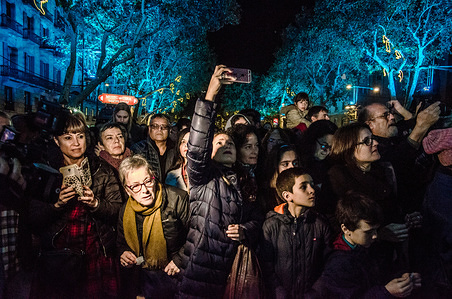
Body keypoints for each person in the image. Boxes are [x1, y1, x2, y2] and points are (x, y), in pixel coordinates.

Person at [179, 65, 262, 298]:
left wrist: (245, 230)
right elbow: (197, 147)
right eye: (219, 143)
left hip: (230, 275)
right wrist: (211, 93)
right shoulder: (202, 177)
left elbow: (257, 219)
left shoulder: (243, 182)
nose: (226, 145)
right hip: (198, 274)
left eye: (231, 144)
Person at [29, 114, 124, 298]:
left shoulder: (101, 169)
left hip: (95, 252)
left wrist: (96, 203)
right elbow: (32, 218)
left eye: (80, 136)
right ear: (57, 141)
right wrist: (57, 205)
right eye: (68, 137)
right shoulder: (46, 170)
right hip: (60, 254)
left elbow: (117, 209)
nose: (76, 143)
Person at [324, 122, 418, 276]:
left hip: (388, 257)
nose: (375, 143)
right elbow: (337, 221)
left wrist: (405, 219)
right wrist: (378, 234)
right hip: (360, 260)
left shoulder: (383, 170)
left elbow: (392, 207)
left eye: (373, 138)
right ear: (350, 148)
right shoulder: (337, 177)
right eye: (367, 141)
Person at [308, 192, 422, 299]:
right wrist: (386, 291)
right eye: (368, 232)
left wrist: (404, 279)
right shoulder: (337, 264)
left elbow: (380, 276)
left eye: (376, 230)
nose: (375, 236)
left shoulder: (368, 245)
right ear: (346, 229)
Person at [117, 155, 189, 298]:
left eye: (148, 181)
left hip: (176, 276)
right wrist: (124, 253)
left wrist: (179, 260)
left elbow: (196, 235)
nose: (145, 190)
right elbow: (121, 243)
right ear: (127, 190)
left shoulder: (177, 198)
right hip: (143, 279)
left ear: (153, 177)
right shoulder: (125, 210)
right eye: (136, 186)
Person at [260, 167, 332, 298]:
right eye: (303, 187)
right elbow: (266, 266)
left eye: (312, 184)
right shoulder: (271, 226)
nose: (312, 190)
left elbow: (328, 265)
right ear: (287, 196)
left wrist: (314, 293)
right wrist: (279, 292)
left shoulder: (320, 224)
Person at [358, 100, 440, 211]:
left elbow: (408, 125)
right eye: (385, 115)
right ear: (370, 124)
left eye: (391, 113)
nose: (392, 117)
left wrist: (401, 110)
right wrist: (421, 126)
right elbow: (399, 157)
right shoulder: (373, 150)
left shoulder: (393, 135)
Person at [131, 113, 177, 182]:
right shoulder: (139, 149)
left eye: (164, 126)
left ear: (169, 130)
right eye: (155, 126)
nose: (159, 129)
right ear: (149, 129)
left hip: (173, 190)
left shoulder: (176, 150)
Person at [259, 144, 300, 212]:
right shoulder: (264, 195)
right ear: (275, 166)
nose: (292, 167)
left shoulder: (301, 189)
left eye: (295, 163)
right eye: (285, 164)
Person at [298, 120, 337, 188]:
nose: (327, 151)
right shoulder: (298, 161)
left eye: (331, 148)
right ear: (312, 141)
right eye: (324, 146)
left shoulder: (332, 165)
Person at [228, 124, 260, 203]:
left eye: (256, 145)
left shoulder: (260, 171)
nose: (254, 151)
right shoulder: (231, 177)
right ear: (237, 149)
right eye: (248, 147)